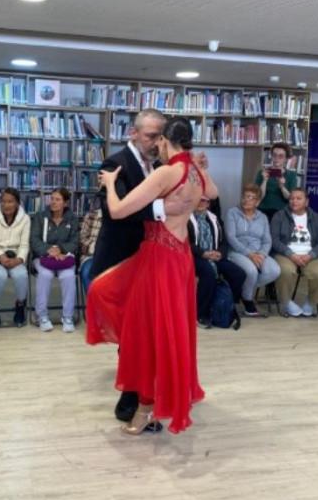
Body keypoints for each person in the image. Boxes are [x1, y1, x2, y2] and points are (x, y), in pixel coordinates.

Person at [87, 117, 219, 435]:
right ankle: (157, 401)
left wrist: (107, 186)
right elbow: (210, 194)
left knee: (148, 332)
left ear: (163, 141)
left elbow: (117, 211)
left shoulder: (165, 171)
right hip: (180, 258)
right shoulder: (195, 170)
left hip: (158, 259)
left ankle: (146, 407)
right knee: (167, 331)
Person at [88, 108, 172, 425]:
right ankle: (131, 397)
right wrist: (165, 209)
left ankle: (140, 394)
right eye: (150, 135)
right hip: (121, 261)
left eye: (160, 136)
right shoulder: (115, 164)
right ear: (133, 133)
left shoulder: (163, 166)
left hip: (150, 264)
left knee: (144, 334)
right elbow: (117, 213)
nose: (155, 142)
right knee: (131, 335)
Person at [270, 188, 318, 317]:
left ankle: (311, 302)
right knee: (285, 271)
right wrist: (291, 254)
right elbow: (274, 240)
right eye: (291, 198)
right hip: (286, 254)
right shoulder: (279, 216)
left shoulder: (317, 218)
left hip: (309, 255)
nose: (294, 201)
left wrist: (310, 256)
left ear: (306, 202)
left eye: (298, 198)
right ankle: (286, 302)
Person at [188, 196, 245, 326]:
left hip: (214, 255)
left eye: (205, 201)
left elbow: (224, 241)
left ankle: (227, 305)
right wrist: (203, 253)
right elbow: (186, 242)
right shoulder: (186, 218)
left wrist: (220, 253)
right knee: (208, 274)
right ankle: (201, 313)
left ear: (209, 203)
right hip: (195, 256)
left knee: (239, 274)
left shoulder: (215, 219)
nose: (201, 203)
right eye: (199, 199)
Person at [225, 184, 281, 317]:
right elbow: (231, 237)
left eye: (251, 197)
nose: (246, 200)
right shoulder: (232, 213)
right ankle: (248, 300)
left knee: (274, 271)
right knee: (251, 271)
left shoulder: (262, 217)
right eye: (244, 196)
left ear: (257, 202)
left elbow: (267, 240)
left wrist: (261, 254)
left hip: (258, 252)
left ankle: (242, 291)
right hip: (237, 251)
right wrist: (249, 254)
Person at [30, 187, 80, 332]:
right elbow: (34, 239)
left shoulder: (72, 219)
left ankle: (68, 317)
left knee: (69, 276)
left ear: (65, 203)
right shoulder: (40, 217)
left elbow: (75, 241)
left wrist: (61, 250)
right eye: (52, 199)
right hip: (44, 257)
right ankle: (42, 316)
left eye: (58, 199)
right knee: (45, 275)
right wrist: (49, 250)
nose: (53, 202)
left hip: (65, 258)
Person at [0, 187, 30, 327]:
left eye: (10, 202)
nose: (6, 205)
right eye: (3, 201)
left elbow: (24, 245)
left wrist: (19, 259)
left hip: (15, 258)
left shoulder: (25, 219)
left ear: (17, 203)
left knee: (21, 274)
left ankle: (20, 305)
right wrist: (0, 256)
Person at [254, 142, 299, 222]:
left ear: (286, 159)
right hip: (263, 211)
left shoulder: (291, 175)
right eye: (274, 155)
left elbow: (291, 198)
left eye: (281, 156)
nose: (276, 159)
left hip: (281, 213)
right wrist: (264, 181)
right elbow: (259, 197)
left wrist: (282, 187)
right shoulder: (262, 173)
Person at [78, 198, 102, 294]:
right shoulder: (91, 216)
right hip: (90, 256)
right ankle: (95, 307)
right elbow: (81, 240)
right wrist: (94, 248)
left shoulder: (120, 217)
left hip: (112, 258)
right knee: (88, 272)